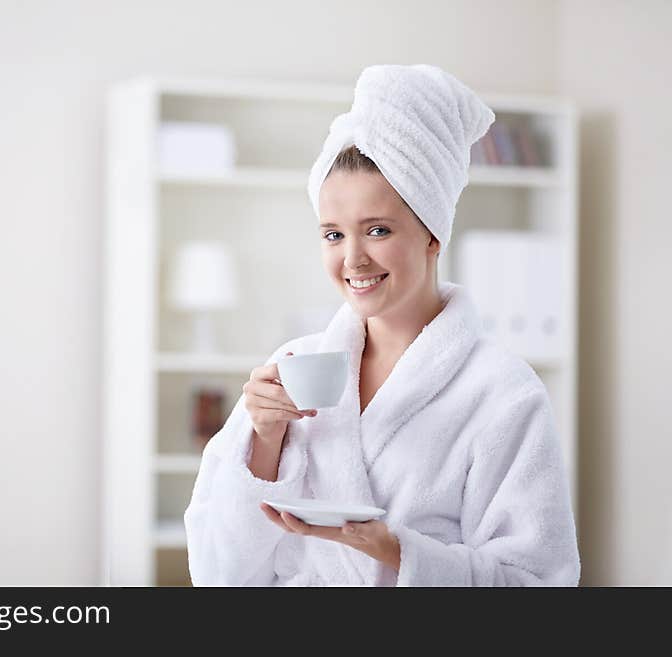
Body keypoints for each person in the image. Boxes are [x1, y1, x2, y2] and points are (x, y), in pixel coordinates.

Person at [183, 64, 580, 586]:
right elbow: (219, 573)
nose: (353, 260)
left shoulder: (503, 392)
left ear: (433, 235)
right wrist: (264, 441)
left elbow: (539, 582)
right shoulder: (293, 365)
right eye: (332, 235)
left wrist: (397, 553)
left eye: (377, 230)